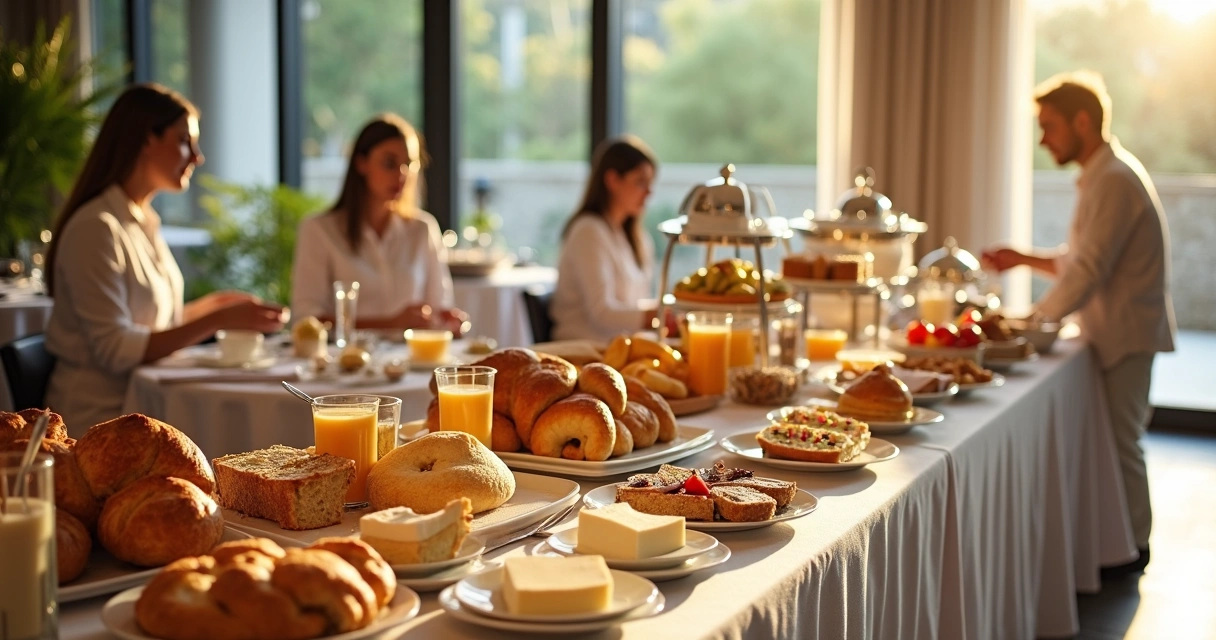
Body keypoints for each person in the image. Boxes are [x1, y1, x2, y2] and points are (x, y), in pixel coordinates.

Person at [983, 71, 1176, 574]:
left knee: (1121, 442)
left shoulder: (1113, 180)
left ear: (1083, 121)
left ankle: (1134, 552)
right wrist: (1022, 258)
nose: (1044, 138)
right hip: (1114, 332)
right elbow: (1080, 259)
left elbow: (1089, 270)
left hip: (1126, 334)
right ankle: (1122, 544)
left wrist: (1029, 324)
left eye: (1050, 126)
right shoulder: (1105, 175)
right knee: (1117, 440)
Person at [43, 84, 288, 432]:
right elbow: (116, 348)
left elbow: (149, 324)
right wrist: (216, 319)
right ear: (146, 139)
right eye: (184, 140)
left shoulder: (141, 220)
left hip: (143, 411)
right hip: (96, 424)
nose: (197, 156)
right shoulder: (95, 228)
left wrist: (212, 308)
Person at [290, 114, 466, 335]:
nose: (402, 174)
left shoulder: (423, 229)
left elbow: (439, 307)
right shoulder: (319, 230)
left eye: (409, 164)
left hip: (410, 363)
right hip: (344, 362)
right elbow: (306, 321)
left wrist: (447, 320)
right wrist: (390, 323)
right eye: (389, 163)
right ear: (361, 164)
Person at [551, 136, 665, 342]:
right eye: (640, 182)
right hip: (583, 351)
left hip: (617, 349)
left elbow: (632, 304)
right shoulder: (588, 231)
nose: (649, 193)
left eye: (650, 183)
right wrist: (660, 315)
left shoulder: (632, 236)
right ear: (612, 180)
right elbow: (602, 313)